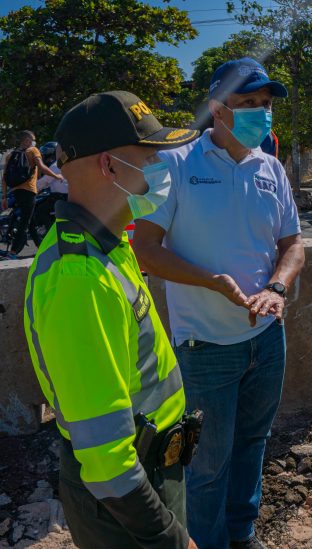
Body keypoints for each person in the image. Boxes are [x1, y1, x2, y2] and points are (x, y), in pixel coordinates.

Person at [133, 58, 305, 549]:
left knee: (253, 445)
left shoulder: (271, 167)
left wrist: (276, 288)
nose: (260, 113)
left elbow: (294, 244)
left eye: (266, 105)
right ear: (217, 109)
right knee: (206, 464)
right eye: (248, 103)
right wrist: (214, 282)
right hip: (204, 346)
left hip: (268, 338)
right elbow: (145, 250)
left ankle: (242, 533)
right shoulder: (177, 163)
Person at [23, 91, 200, 548]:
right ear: (109, 166)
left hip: (149, 473)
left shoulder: (107, 242)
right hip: (127, 504)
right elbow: (107, 461)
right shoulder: (79, 279)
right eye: (150, 157)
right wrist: (171, 539)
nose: (163, 171)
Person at [2, 130, 64, 256]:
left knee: (29, 220)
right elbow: (42, 167)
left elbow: (4, 178)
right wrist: (57, 176)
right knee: (25, 221)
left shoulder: (11, 154)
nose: (34, 142)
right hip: (29, 191)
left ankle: (39, 246)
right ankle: (14, 251)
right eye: (33, 139)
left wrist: (4, 196)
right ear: (27, 140)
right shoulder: (33, 150)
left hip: (16, 191)